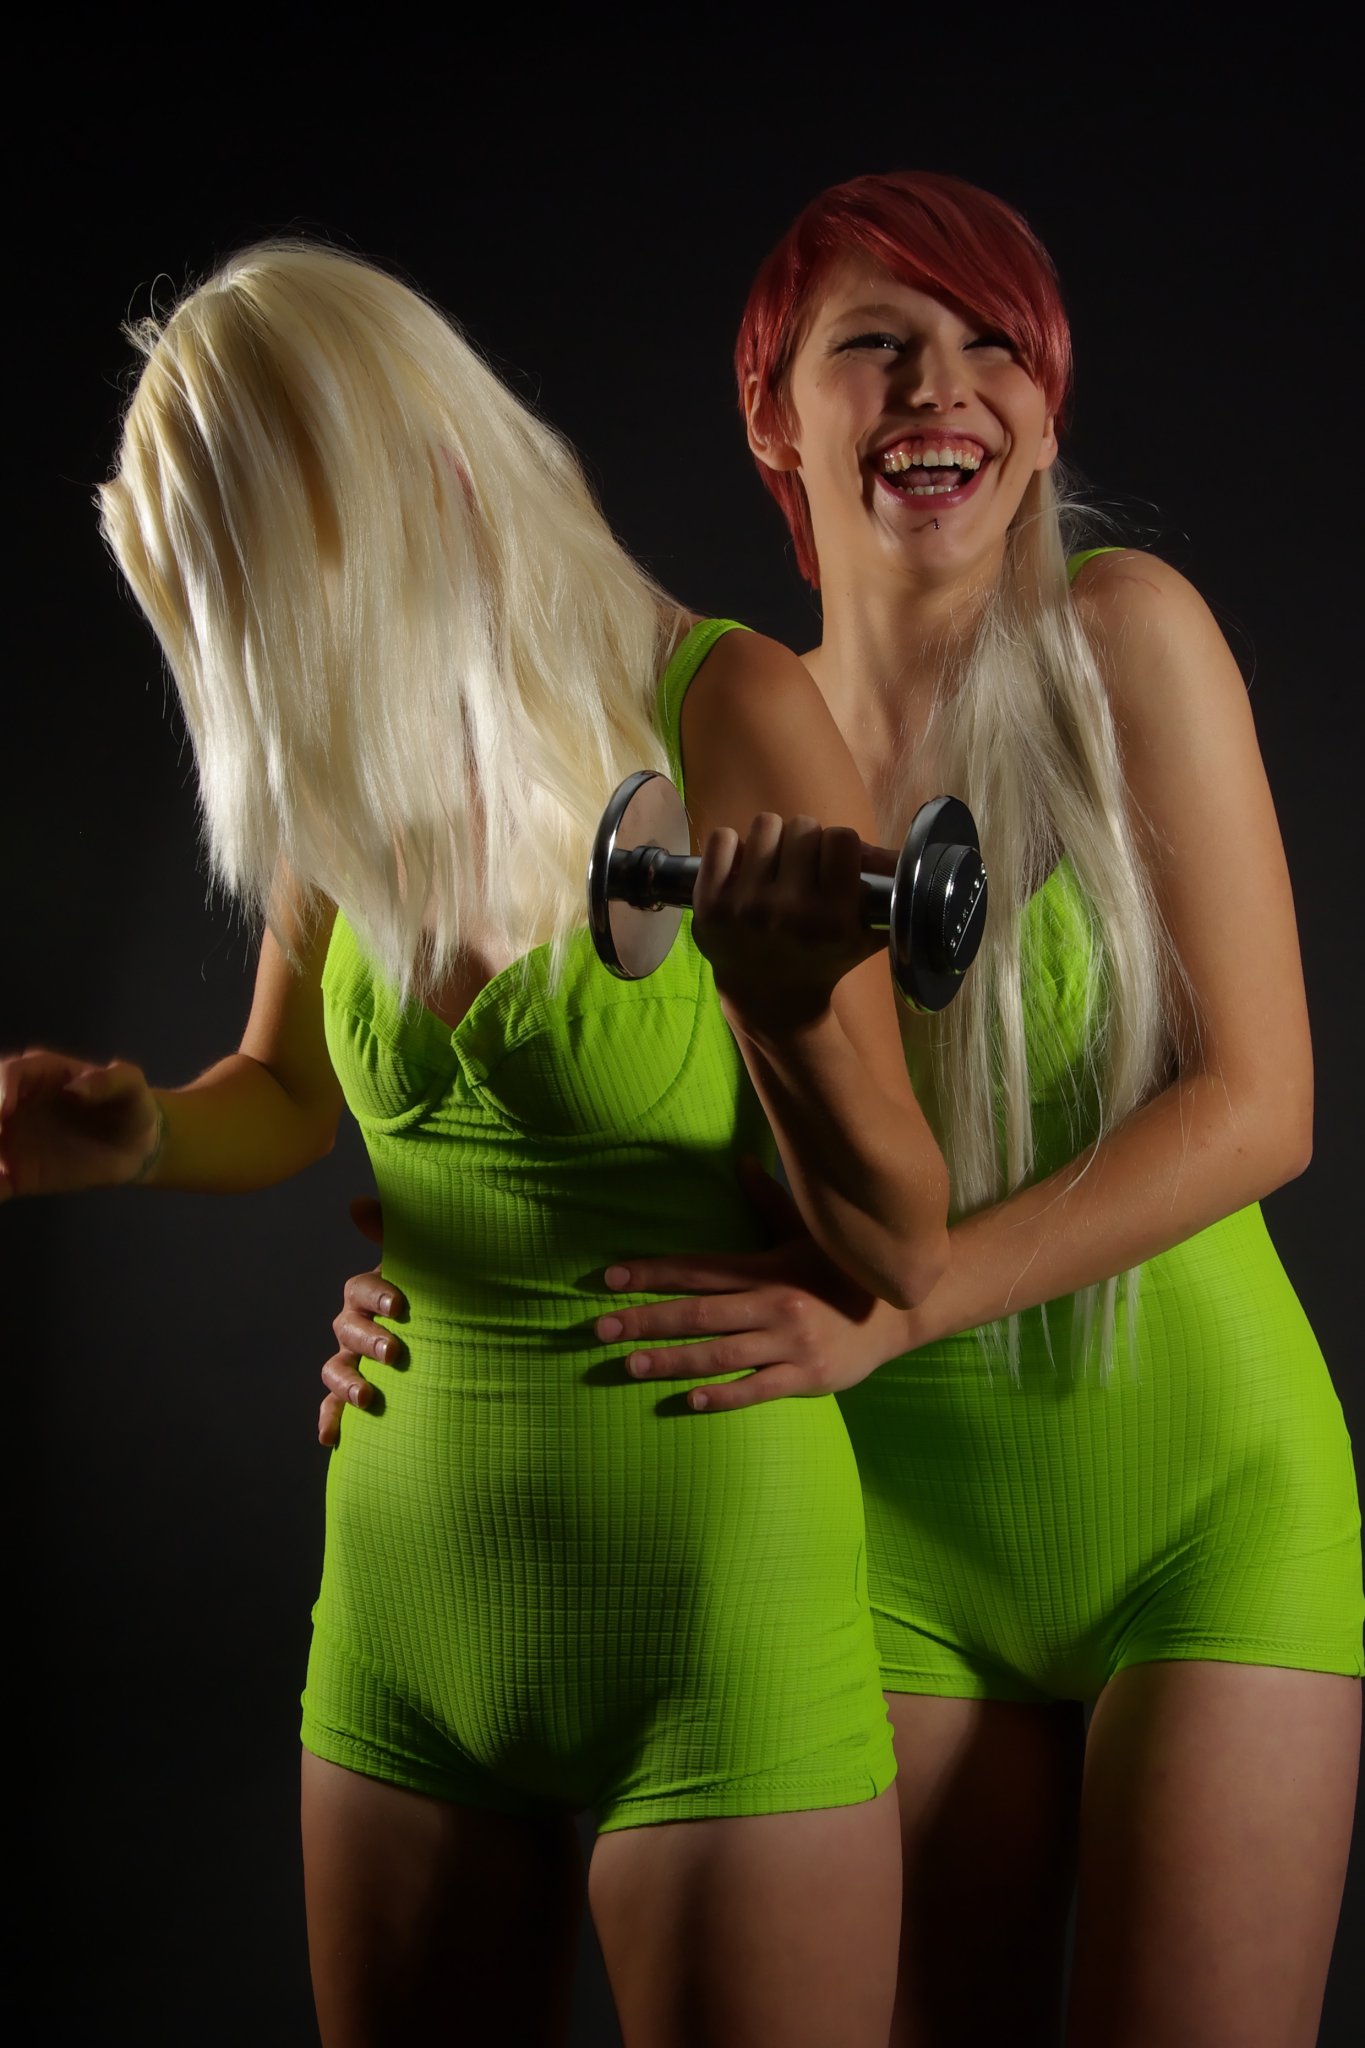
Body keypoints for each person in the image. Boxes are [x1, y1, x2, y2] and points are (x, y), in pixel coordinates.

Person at [319, 176, 1363, 2047]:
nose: (937, 387)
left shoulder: (1124, 635)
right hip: (880, 1530)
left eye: (990, 346)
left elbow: (1260, 1106)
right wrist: (446, 1292)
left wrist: (901, 1305)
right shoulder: (716, 728)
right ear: (769, 416)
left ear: (1043, 403)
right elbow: (627, 1132)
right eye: (873, 345)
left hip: (1199, 1505)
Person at [0, 241, 958, 2047]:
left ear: (413, 476)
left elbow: (902, 1240)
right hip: (404, 1615)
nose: (272, 662)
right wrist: (142, 1141)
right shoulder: (344, 760)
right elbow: (287, 1090)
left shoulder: (724, 706)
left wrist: (774, 1008)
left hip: (711, 1608)